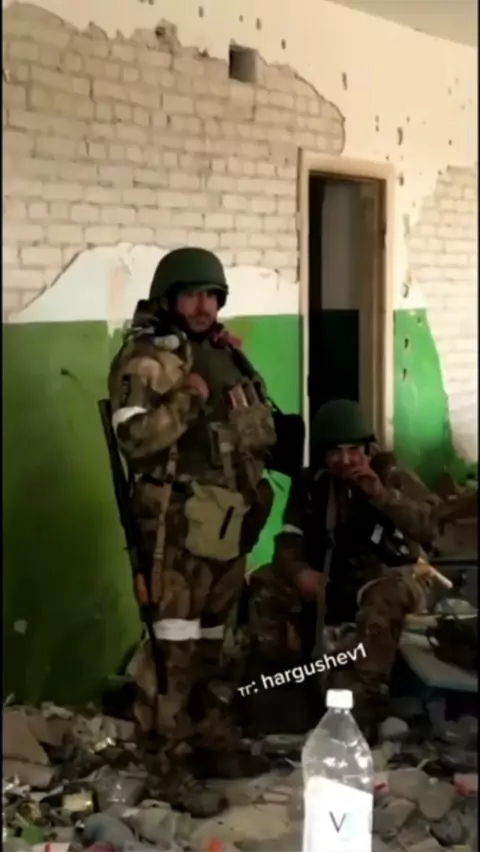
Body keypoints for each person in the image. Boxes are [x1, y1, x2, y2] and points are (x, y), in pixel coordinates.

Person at [108, 247, 277, 816]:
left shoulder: (221, 351)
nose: (204, 306)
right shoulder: (148, 359)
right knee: (172, 651)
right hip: (175, 528)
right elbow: (135, 440)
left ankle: (209, 741)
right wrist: (187, 398)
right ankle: (166, 768)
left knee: (213, 643)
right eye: (192, 295)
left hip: (225, 521)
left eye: (212, 295)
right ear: (168, 299)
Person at [248, 398, 466, 742]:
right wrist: (300, 573)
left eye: (353, 450)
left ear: (368, 448)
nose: (346, 460)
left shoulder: (392, 474)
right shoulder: (312, 484)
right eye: (336, 452)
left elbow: (429, 527)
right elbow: (288, 541)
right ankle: (282, 690)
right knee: (265, 582)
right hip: (332, 579)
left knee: (382, 599)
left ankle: (363, 712)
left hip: (392, 576)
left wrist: (380, 493)